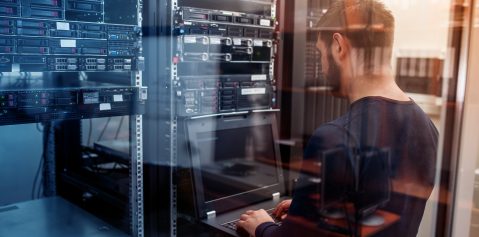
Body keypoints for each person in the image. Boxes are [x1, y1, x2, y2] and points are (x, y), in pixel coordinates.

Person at [236, 0, 438, 237]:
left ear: (339, 46)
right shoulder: (427, 127)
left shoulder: (336, 137)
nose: (322, 66)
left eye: (321, 53)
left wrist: (261, 225)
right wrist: (308, 210)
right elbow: (377, 209)